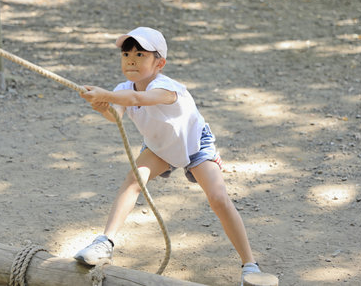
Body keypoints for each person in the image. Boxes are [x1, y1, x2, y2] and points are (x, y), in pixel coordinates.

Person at [76, 27, 261, 285]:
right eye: (126, 53)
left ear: (159, 63)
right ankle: (104, 242)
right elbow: (116, 114)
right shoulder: (122, 88)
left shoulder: (166, 87)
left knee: (218, 198)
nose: (131, 59)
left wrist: (106, 95)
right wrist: (102, 107)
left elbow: (137, 97)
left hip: (194, 144)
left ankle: (251, 265)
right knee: (134, 180)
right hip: (159, 146)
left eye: (140, 54)